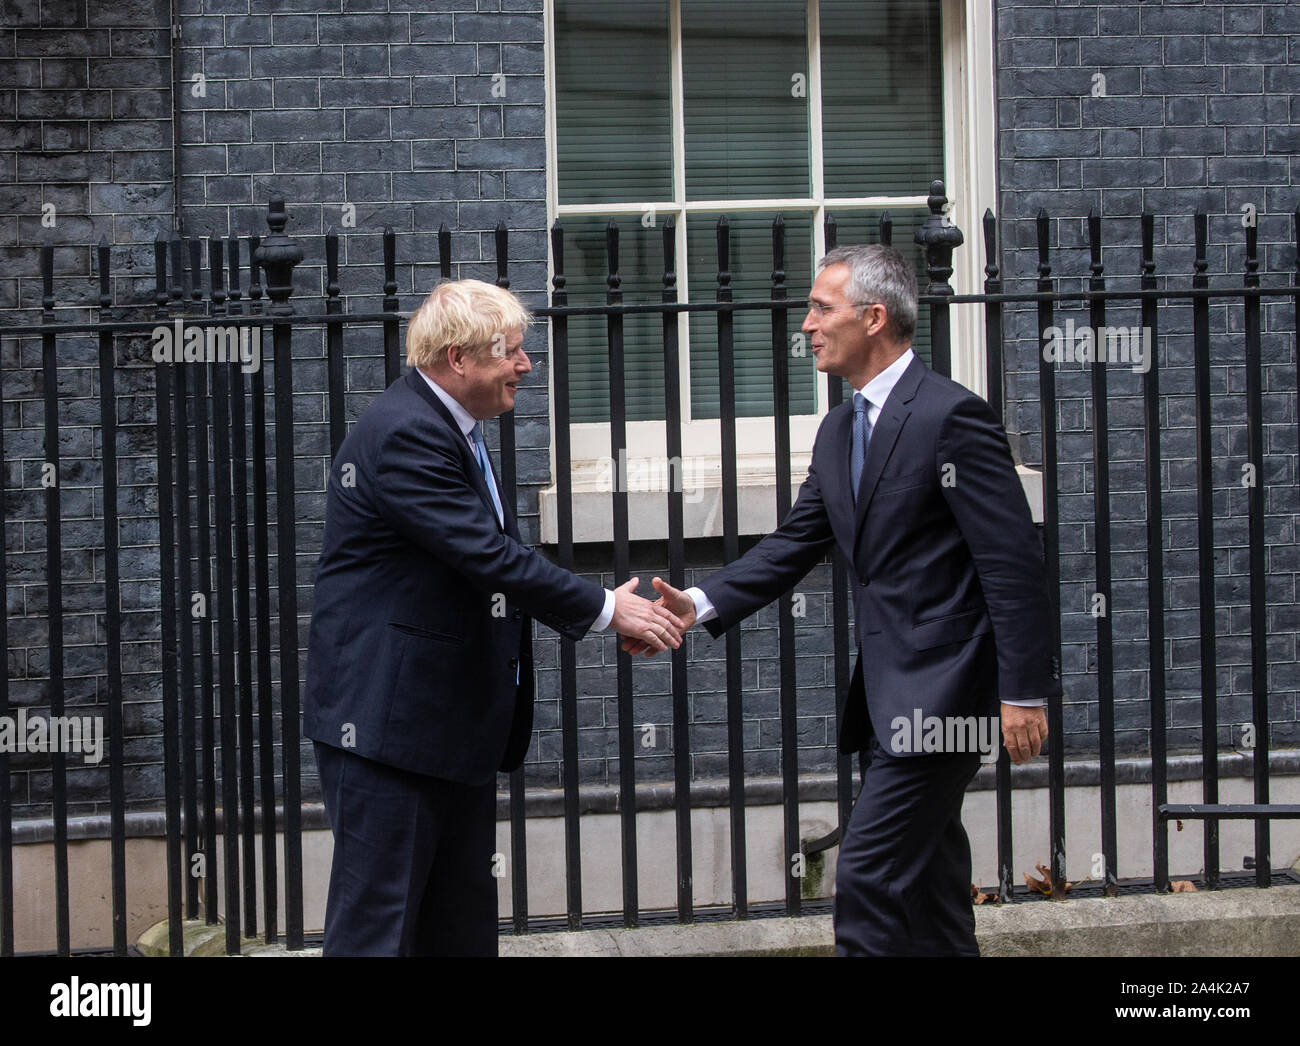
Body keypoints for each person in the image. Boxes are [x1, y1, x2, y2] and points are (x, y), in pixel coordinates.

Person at [628, 244, 1058, 956]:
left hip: (947, 695)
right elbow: (794, 543)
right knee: (929, 887)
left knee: (868, 877)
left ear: (875, 316)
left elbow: (1012, 564)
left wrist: (1024, 692)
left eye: (821, 308)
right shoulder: (837, 429)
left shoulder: (952, 417)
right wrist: (696, 603)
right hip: (887, 698)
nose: (806, 325)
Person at [304, 278, 685, 956]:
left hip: (445, 731)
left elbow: (497, 551)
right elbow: (490, 558)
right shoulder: (404, 434)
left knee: (458, 931)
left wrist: (603, 609)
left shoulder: (452, 427)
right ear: (458, 358)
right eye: (511, 352)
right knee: (379, 934)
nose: (525, 366)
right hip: (390, 734)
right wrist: (607, 609)